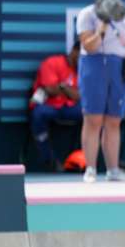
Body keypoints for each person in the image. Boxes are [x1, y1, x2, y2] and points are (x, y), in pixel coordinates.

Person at [76, 0, 125, 183]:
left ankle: (113, 170)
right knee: (93, 119)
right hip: (93, 66)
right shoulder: (86, 14)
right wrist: (101, 27)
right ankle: (91, 169)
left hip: (118, 67)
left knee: (114, 121)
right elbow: (89, 46)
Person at [29, 42, 82, 171]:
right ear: (75, 51)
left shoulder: (83, 70)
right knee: (38, 114)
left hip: (70, 107)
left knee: (92, 114)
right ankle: (49, 159)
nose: (84, 59)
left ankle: (82, 161)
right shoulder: (52, 62)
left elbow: (79, 96)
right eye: (83, 55)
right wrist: (68, 91)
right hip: (49, 105)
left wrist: (62, 86)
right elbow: (50, 89)